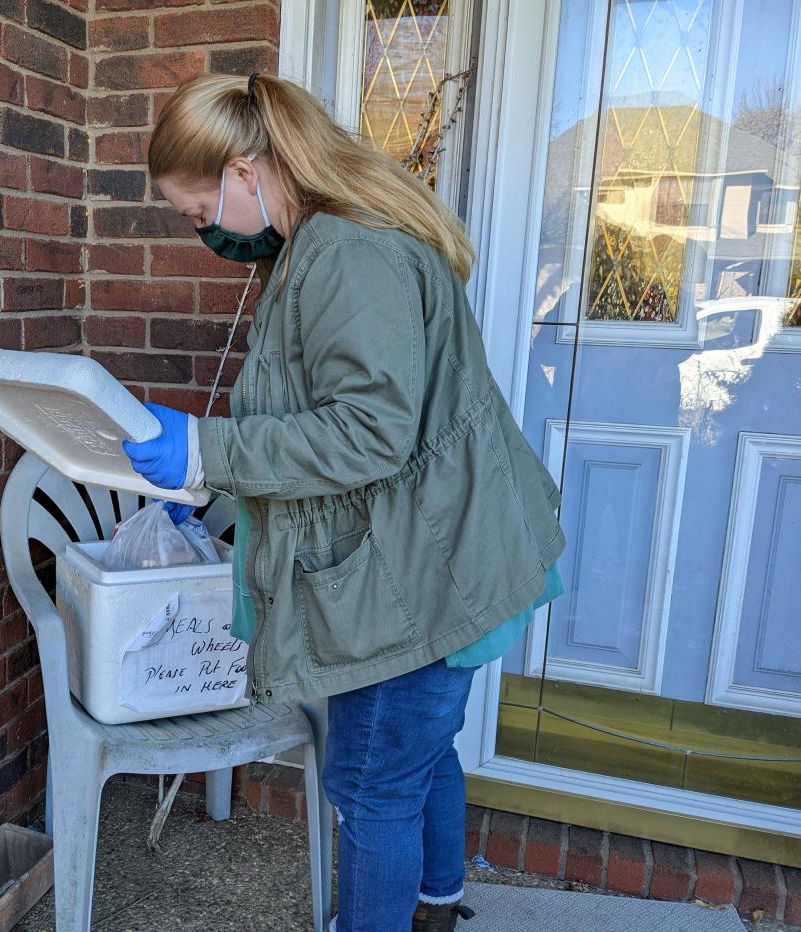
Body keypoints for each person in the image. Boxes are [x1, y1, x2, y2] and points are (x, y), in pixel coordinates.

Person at [122, 72, 566, 932]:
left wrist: (205, 452)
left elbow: (368, 433)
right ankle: (435, 907)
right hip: (439, 552)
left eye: (194, 212)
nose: (203, 232)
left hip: (419, 570)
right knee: (418, 756)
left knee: (371, 786)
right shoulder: (314, 244)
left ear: (244, 172)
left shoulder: (349, 253)